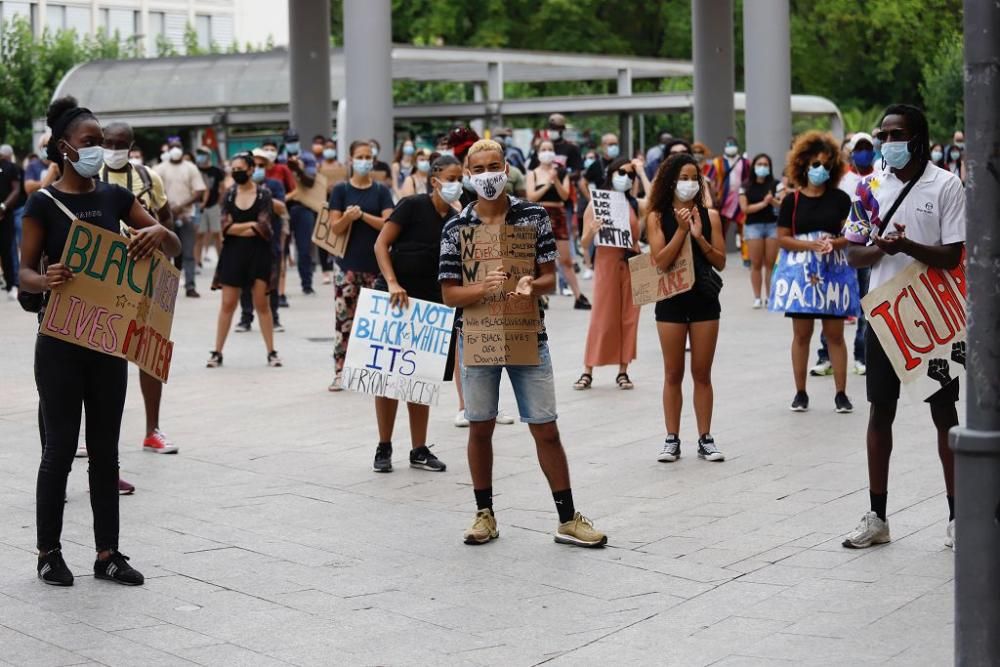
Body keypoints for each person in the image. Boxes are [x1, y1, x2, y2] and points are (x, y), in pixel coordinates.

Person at [20, 96, 181, 586]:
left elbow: (170, 244)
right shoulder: (41, 204)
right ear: (65, 148)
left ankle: (107, 553)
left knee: (106, 451)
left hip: (110, 341)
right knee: (60, 450)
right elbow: (21, 272)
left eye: (102, 143)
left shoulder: (114, 198)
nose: (99, 151)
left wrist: (155, 234)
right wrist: (44, 280)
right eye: (90, 143)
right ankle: (49, 552)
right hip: (61, 342)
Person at [439, 139, 607, 548]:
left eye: (493, 166)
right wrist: (482, 288)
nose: (487, 175)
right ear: (468, 175)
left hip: (528, 335)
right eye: (478, 169)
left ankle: (567, 518)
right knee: (480, 427)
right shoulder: (456, 226)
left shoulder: (533, 216)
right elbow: (450, 295)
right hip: (477, 339)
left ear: (507, 169)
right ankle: (484, 514)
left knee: (545, 427)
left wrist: (533, 285)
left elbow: (549, 276)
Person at [842, 104, 965, 550]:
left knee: (944, 414)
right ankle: (877, 516)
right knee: (881, 411)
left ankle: (958, 516)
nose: (887, 142)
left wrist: (907, 244)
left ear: (916, 138)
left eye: (896, 135)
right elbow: (853, 253)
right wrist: (879, 249)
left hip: (932, 317)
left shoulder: (946, 185)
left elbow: (952, 254)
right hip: (885, 314)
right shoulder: (869, 187)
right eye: (883, 135)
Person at [369, 155, 463, 473]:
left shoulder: (455, 217)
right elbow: (381, 244)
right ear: (435, 180)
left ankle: (419, 448)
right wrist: (393, 283)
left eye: (459, 178)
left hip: (431, 304)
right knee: (387, 376)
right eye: (451, 177)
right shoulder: (410, 205)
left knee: (420, 377)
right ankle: (384, 446)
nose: (456, 184)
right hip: (396, 299)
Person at [99, 120, 180, 457]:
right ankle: (95, 434)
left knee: (148, 352)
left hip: (146, 276)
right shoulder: (89, 178)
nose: (115, 150)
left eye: (121, 144)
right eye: (109, 143)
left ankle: (152, 430)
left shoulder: (148, 178)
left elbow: (167, 221)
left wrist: (166, 257)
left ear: (131, 146)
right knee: (101, 354)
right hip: (104, 277)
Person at [645, 154, 727, 464]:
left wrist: (699, 237)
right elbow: (660, 261)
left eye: (694, 177)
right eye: (683, 178)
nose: (689, 183)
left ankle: (705, 437)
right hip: (671, 301)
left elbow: (720, 260)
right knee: (673, 373)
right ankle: (671, 438)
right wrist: (680, 230)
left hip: (705, 299)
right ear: (669, 181)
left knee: (702, 373)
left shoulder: (711, 216)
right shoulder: (655, 216)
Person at [776, 131, 854, 414]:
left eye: (825, 164)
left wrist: (835, 242)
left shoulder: (841, 199)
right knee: (802, 334)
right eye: (814, 163)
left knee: (835, 334)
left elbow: (852, 234)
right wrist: (810, 244)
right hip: (802, 274)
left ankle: (841, 393)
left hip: (833, 272)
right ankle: (800, 392)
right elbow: (783, 237)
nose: (820, 169)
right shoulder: (791, 201)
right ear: (803, 165)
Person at [326, 140, 394, 391]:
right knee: (345, 320)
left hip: (377, 266)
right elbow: (334, 226)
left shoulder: (381, 191)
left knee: (377, 322)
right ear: (351, 160)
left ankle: (374, 370)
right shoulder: (341, 190)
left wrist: (363, 215)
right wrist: (347, 216)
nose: (364, 160)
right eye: (360, 156)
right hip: (347, 266)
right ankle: (340, 370)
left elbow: (389, 223)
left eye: (368, 156)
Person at [206, 153, 282, 368]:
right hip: (233, 255)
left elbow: (264, 228)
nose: (236, 171)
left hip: (259, 255)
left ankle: (271, 351)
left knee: (261, 304)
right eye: (233, 168)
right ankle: (217, 352)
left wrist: (238, 228)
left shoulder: (264, 195)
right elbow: (225, 227)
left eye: (241, 168)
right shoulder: (228, 195)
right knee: (227, 304)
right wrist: (249, 226)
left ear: (250, 170)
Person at [812, 133, 877, 377]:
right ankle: (825, 355)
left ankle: (862, 355)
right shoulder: (842, 179)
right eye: (858, 148)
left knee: (865, 303)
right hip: (840, 249)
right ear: (850, 152)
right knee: (833, 301)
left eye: (867, 147)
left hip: (866, 249)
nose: (863, 152)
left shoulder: (879, 177)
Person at [573, 158, 640, 391]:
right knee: (602, 315)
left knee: (630, 317)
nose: (626, 177)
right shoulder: (597, 203)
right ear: (611, 173)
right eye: (622, 172)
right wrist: (591, 232)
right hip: (606, 261)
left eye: (631, 175)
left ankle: (623, 370)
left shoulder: (634, 204)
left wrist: (641, 170)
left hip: (631, 261)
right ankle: (588, 369)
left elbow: (653, 202)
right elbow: (583, 243)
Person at [526, 140, 590, 310]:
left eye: (550, 149)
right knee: (537, 259)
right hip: (539, 215)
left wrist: (556, 180)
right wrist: (548, 183)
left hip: (559, 215)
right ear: (538, 153)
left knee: (566, 259)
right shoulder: (532, 173)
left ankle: (578, 295)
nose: (547, 152)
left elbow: (564, 196)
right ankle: (540, 296)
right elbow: (531, 196)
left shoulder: (562, 173)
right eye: (543, 149)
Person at [236, 149, 288, 334]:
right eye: (255, 165)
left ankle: (274, 318)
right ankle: (245, 318)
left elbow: (282, 208)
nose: (258, 169)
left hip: (270, 241)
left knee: (271, 282)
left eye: (262, 166)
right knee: (245, 283)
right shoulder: (239, 188)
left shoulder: (274, 185)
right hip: (246, 243)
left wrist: (262, 194)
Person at [154, 139, 205, 298]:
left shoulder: (191, 168)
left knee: (188, 252)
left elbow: (199, 192)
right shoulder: (159, 169)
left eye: (178, 147)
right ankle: (166, 288)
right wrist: (168, 208)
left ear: (182, 149)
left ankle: (190, 286)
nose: (175, 150)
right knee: (166, 253)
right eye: (172, 147)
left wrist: (181, 206)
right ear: (167, 150)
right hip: (165, 218)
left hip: (186, 216)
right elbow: (153, 192)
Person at [284, 129, 326, 296]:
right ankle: (279, 289)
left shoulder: (307, 158)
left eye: (294, 140)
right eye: (289, 140)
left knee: (304, 248)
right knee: (281, 250)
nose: (292, 143)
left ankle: (307, 284)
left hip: (304, 207)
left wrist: (299, 170)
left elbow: (310, 182)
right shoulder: (279, 159)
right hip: (284, 208)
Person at [739, 153, 780, 308]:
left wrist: (773, 201)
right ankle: (757, 297)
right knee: (756, 263)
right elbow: (745, 209)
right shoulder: (746, 186)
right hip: (753, 227)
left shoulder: (776, 184)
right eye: (759, 164)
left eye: (765, 164)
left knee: (770, 263)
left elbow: (782, 205)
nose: (762, 167)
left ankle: (770, 296)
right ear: (754, 166)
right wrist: (764, 203)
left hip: (772, 226)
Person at [706, 136, 750, 249]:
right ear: (725, 147)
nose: (731, 147)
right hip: (723, 200)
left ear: (737, 146)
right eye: (729, 144)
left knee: (743, 228)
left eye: (733, 144)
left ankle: (746, 257)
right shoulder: (718, 162)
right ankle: (720, 252)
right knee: (722, 229)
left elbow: (748, 179)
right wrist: (713, 197)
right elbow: (709, 180)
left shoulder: (744, 162)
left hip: (740, 199)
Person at [316, 136, 347, 284]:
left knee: (338, 236)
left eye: (331, 148)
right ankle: (325, 270)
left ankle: (337, 264)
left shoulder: (341, 166)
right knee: (323, 237)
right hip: (323, 204)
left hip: (339, 205)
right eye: (326, 148)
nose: (329, 150)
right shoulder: (319, 166)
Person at [194, 146, 225, 270]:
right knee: (199, 235)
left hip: (213, 206)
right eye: (198, 154)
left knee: (217, 234)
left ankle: (222, 261)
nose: (200, 156)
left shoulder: (216, 171)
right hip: (198, 207)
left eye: (202, 154)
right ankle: (197, 262)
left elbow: (222, 189)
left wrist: (219, 203)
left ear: (208, 156)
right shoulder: (195, 170)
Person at [0, 144, 21, 298]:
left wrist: (3, 206)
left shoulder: (10, 167)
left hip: (5, 215)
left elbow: (16, 190)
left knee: (8, 250)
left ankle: (12, 284)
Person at [580, 133, 620, 201]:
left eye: (615, 144)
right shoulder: (596, 164)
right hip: (602, 202)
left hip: (618, 200)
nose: (614, 147)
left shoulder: (621, 163)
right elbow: (582, 183)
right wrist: (591, 200)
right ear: (603, 146)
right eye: (611, 144)